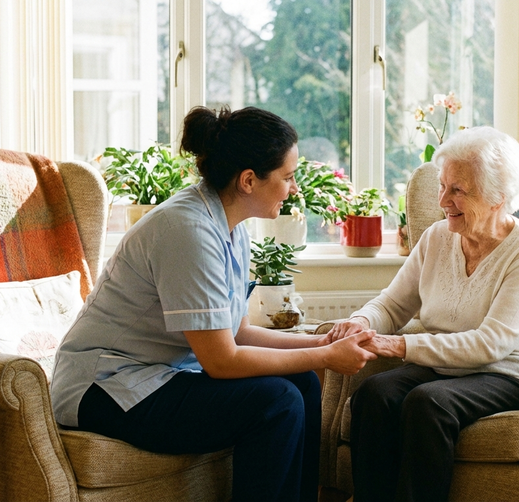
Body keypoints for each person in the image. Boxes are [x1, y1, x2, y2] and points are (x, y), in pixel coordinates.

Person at [49, 106, 376, 502]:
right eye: (287, 177)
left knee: (301, 383)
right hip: (104, 386)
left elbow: (237, 333)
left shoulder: (230, 227)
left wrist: (324, 346)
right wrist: (326, 357)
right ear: (249, 180)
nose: (294, 189)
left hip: (157, 376)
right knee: (276, 402)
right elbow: (221, 361)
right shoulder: (187, 230)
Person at [327, 126, 519, 502]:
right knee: (374, 393)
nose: (443, 200)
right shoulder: (436, 237)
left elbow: (492, 344)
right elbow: (392, 304)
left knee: (428, 403)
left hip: (510, 374)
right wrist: (362, 321)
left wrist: (399, 346)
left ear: (498, 195)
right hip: (445, 368)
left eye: (458, 190)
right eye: (442, 186)